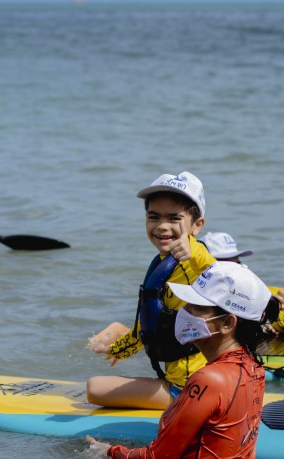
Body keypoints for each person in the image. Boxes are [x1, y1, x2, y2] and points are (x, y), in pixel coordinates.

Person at [86, 262, 271, 458]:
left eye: (196, 307)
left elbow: (159, 456)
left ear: (227, 323)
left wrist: (108, 451)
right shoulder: (254, 367)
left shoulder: (208, 379)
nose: (184, 311)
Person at [86, 172, 217, 409]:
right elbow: (150, 325)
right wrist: (118, 350)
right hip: (183, 382)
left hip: (191, 390)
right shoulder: (163, 263)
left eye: (174, 218)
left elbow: (212, 268)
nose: (162, 226)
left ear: (197, 226)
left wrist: (193, 249)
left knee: (94, 388)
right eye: (153, 217)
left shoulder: (196, 261)